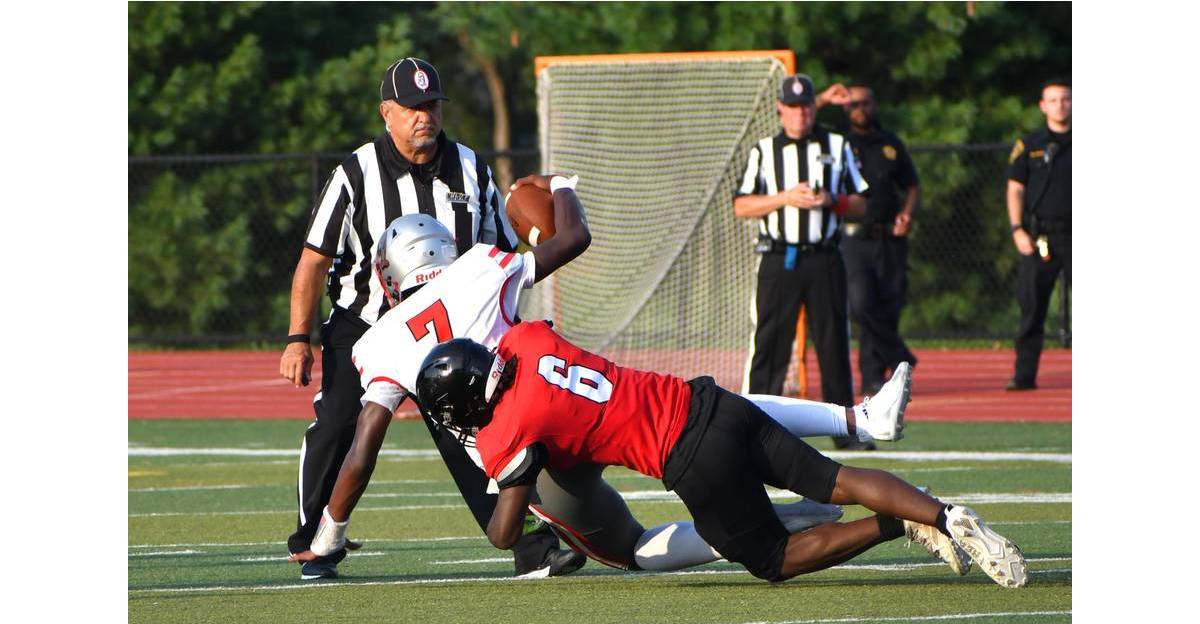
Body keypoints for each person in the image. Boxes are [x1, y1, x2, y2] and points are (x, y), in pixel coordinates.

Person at [290, 191, 948, 577]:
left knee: (632, 548)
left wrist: (331, 530)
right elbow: (570, 237)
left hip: (519, 454)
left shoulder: (378, 342)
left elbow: (361, 450)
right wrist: (561, 186)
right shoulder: (481, 268)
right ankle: (858, 421)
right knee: (706, 409)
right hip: (567, 391)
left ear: (389, 273)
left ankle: (772, 521)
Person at [414, 323, 1027, 587]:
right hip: (712, 402)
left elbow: (503, 533)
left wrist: (491, 461)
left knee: (772, 558)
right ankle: (942, 513)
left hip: (688, 455)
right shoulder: (527, 338)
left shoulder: (507, 432)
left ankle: (898, 524)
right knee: (832, 477)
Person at [277, 57, 573, 580]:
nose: (425, 117)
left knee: (476, 428)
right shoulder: (355, 173)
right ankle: (315, 544)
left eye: (432, 105)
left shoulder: (471, 167)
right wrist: (298, 337)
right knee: (341, 424)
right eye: (413, 108)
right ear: (386, 113)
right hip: (365, 322)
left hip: (450, 324)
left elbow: (499, 253)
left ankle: (531, 546)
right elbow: (313, 259)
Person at [734, 73, 872, 450]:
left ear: (815, 107)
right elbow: (741, 204)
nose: (800, 114)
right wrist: (784, 198)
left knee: (833, 345)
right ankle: (750, 427)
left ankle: (845, 431)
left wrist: (832, 200)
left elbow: (861, 202)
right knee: (769, 345)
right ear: (781, 109)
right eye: (793, 107)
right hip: (780, 257)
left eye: (806, 106)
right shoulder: (764, 150)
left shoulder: (837, 145)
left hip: (825, 257)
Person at [814, 83, 920, 397]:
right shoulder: (836, 141)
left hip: (888, 237)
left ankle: (874, 376)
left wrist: (907, 213)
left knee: (888, 305)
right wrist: (823, 99)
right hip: (852, 238)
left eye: (866, 103)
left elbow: (912, 185)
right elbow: (801, 121)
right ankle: (900, 356)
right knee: (861, 304)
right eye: (854, 104)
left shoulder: (890, 143)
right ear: (845, 109)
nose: (861, 109)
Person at [1005, 78, 1071, 391]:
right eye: (1054, 100)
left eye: (1066, 99)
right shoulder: (1030, 145)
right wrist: (1017, 229)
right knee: (1032, 308)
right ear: (1043, 106)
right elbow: (1015, 189)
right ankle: (1024, 375)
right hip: (1040, 235)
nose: (1061, 105)